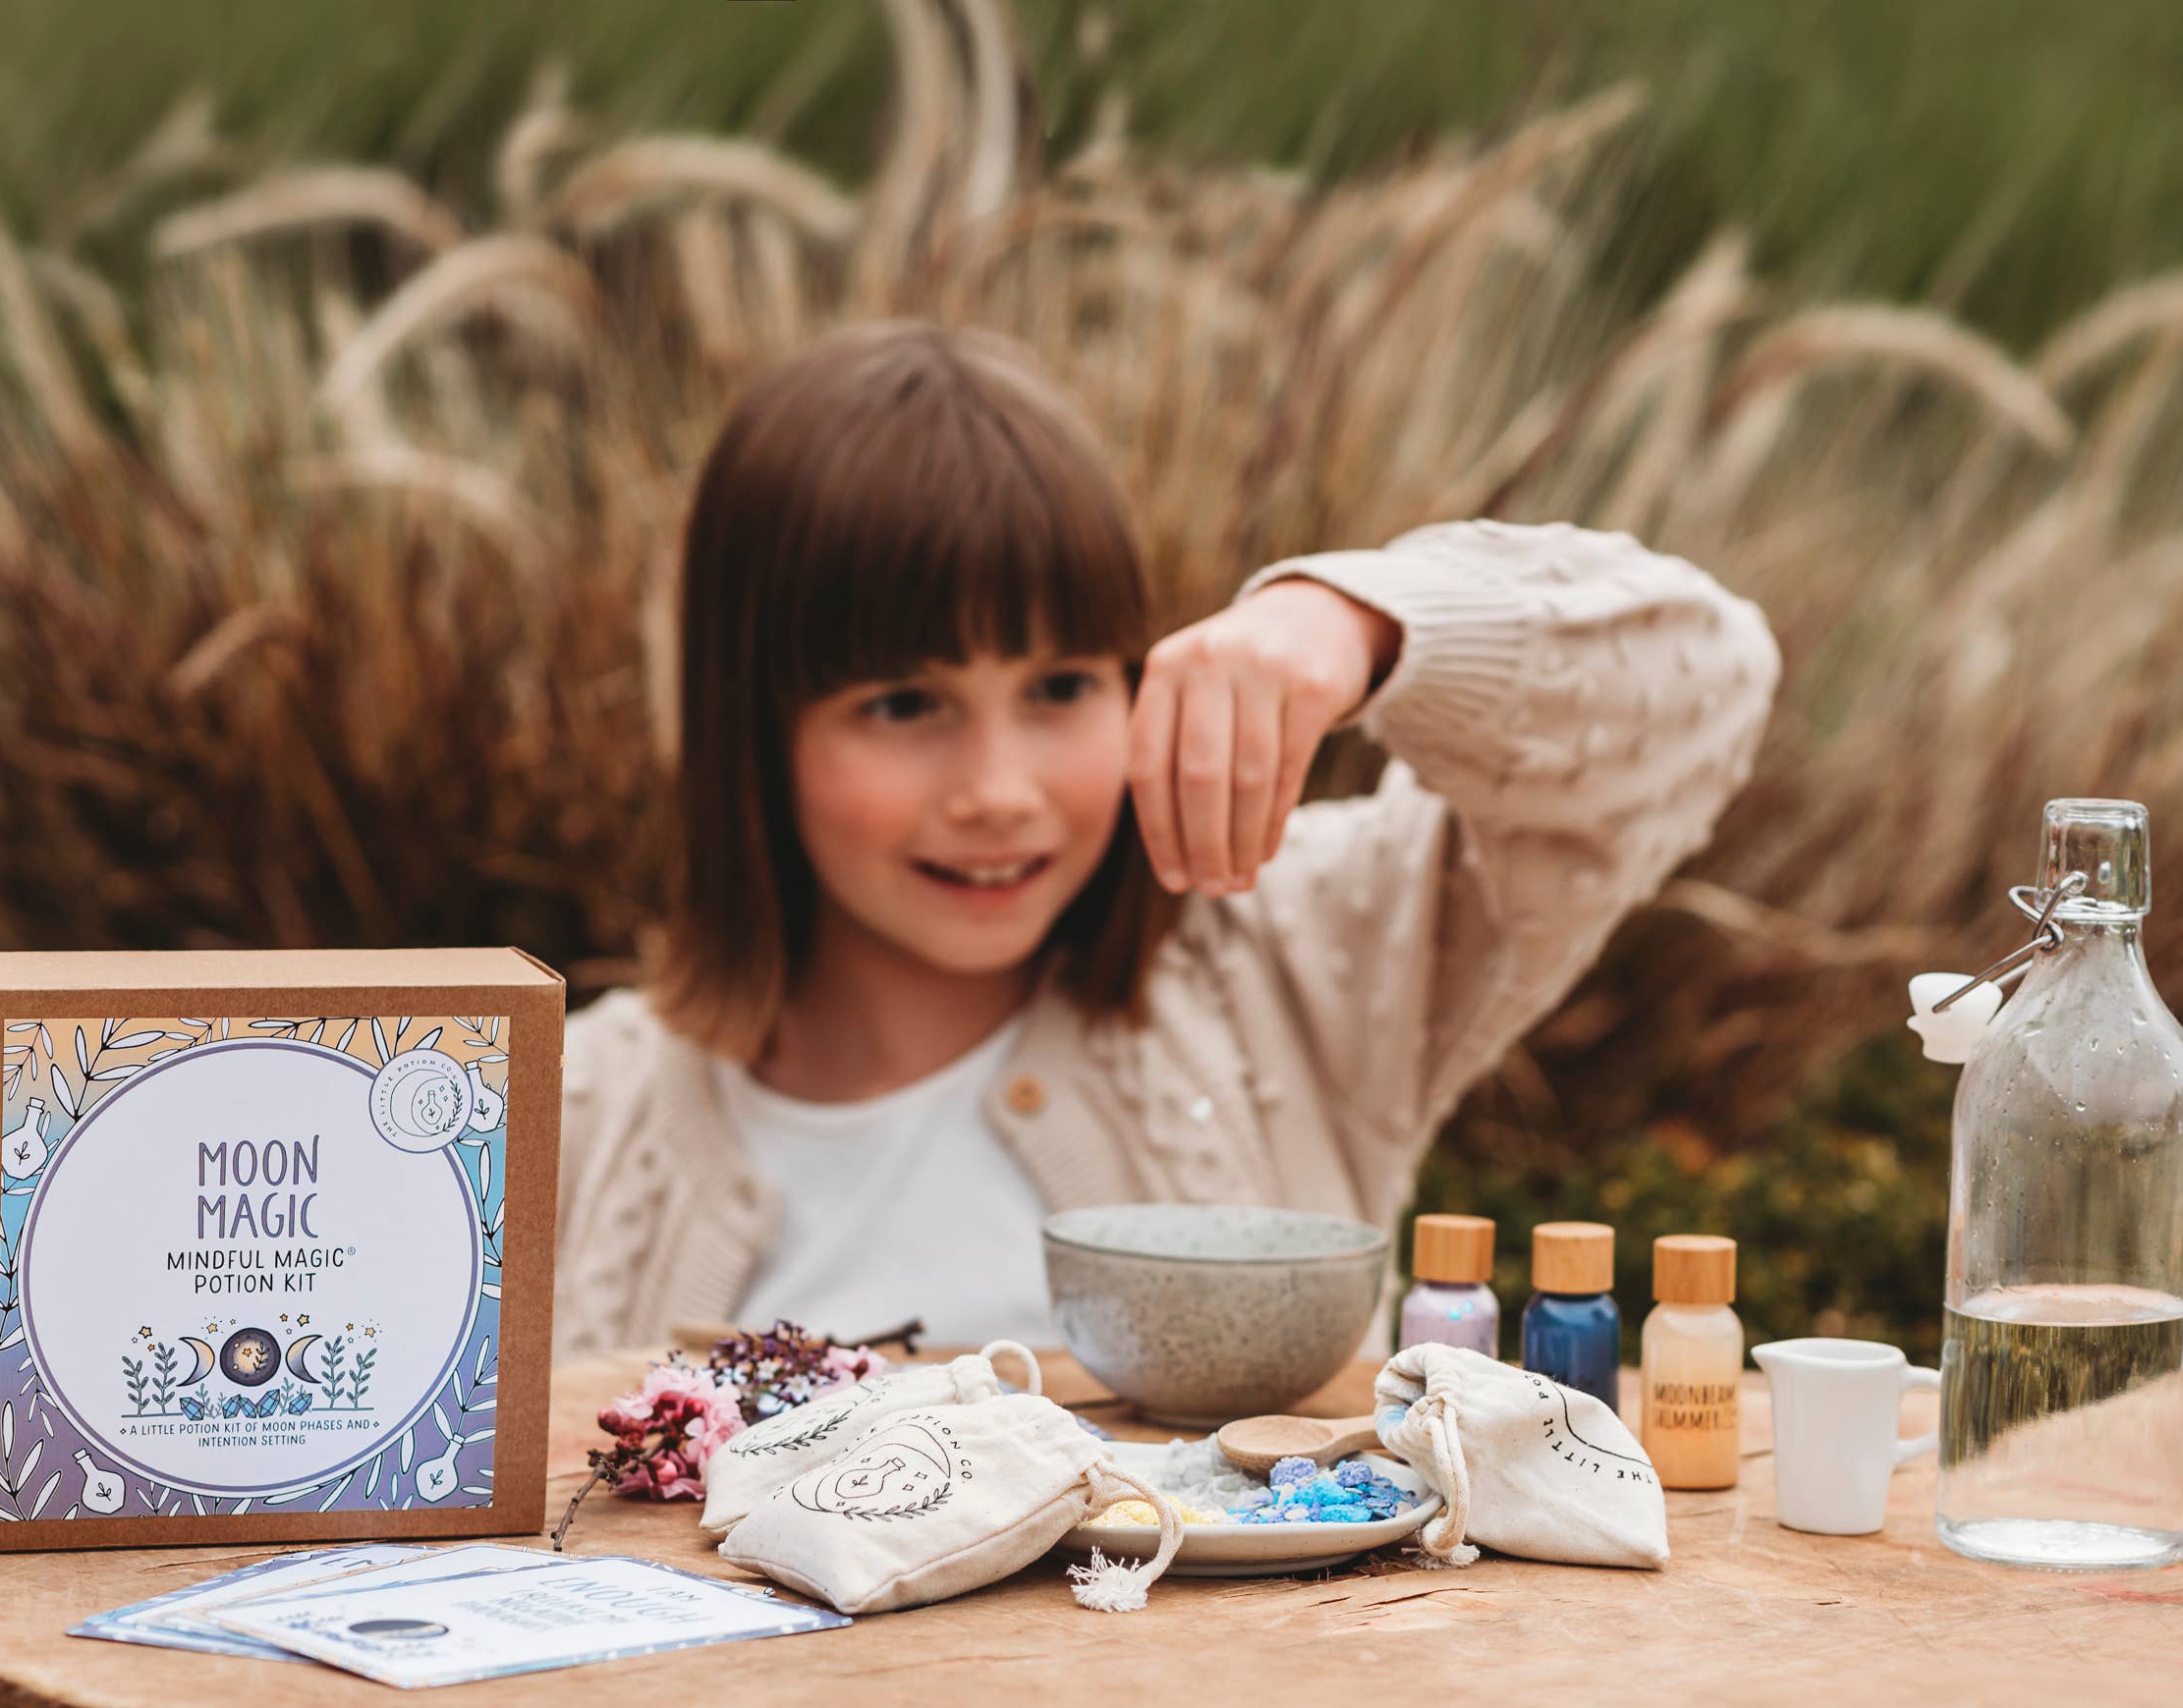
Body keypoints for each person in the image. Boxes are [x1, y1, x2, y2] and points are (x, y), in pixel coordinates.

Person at [552, 319, 1777, 1356]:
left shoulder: (1289, 948)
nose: (998, 789)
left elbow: (1708, 686)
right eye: (904, 704)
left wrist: (1360, 625)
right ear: (750, 730)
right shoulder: (565, 1116)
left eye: (1061, 687)